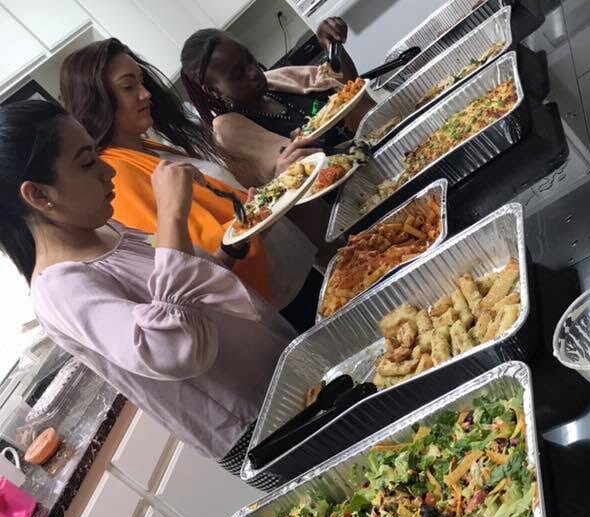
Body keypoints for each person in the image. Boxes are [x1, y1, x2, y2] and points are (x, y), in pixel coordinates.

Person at [0, 99, 293, 478]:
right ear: (39, 195)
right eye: (87, 162)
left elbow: (188, 293)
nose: (107, 172)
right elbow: (170, 346)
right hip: (255, 424)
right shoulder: (59, 289)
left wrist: (232, 247)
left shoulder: (107, 230)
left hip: (279, 366)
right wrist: (171, 211)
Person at [59, 38, 321, 331]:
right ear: (97, 99)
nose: (145, 94)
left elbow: (228, 205)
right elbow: (199, 256)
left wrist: (274, 188)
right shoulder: (118, 174)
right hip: (279, 302)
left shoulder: (148, 149)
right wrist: (278, 191)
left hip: (291, 275)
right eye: (128, 86)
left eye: (142, 82)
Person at [180, 17, 374, 187]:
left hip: (376, 149)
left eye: (250, 59)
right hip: (351, 192)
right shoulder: (236, 135)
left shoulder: (281, 80)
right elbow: (284, 181)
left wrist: (332, 45)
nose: (253, 73)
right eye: (238, 74)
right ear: (213, 90)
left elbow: (348, 89)